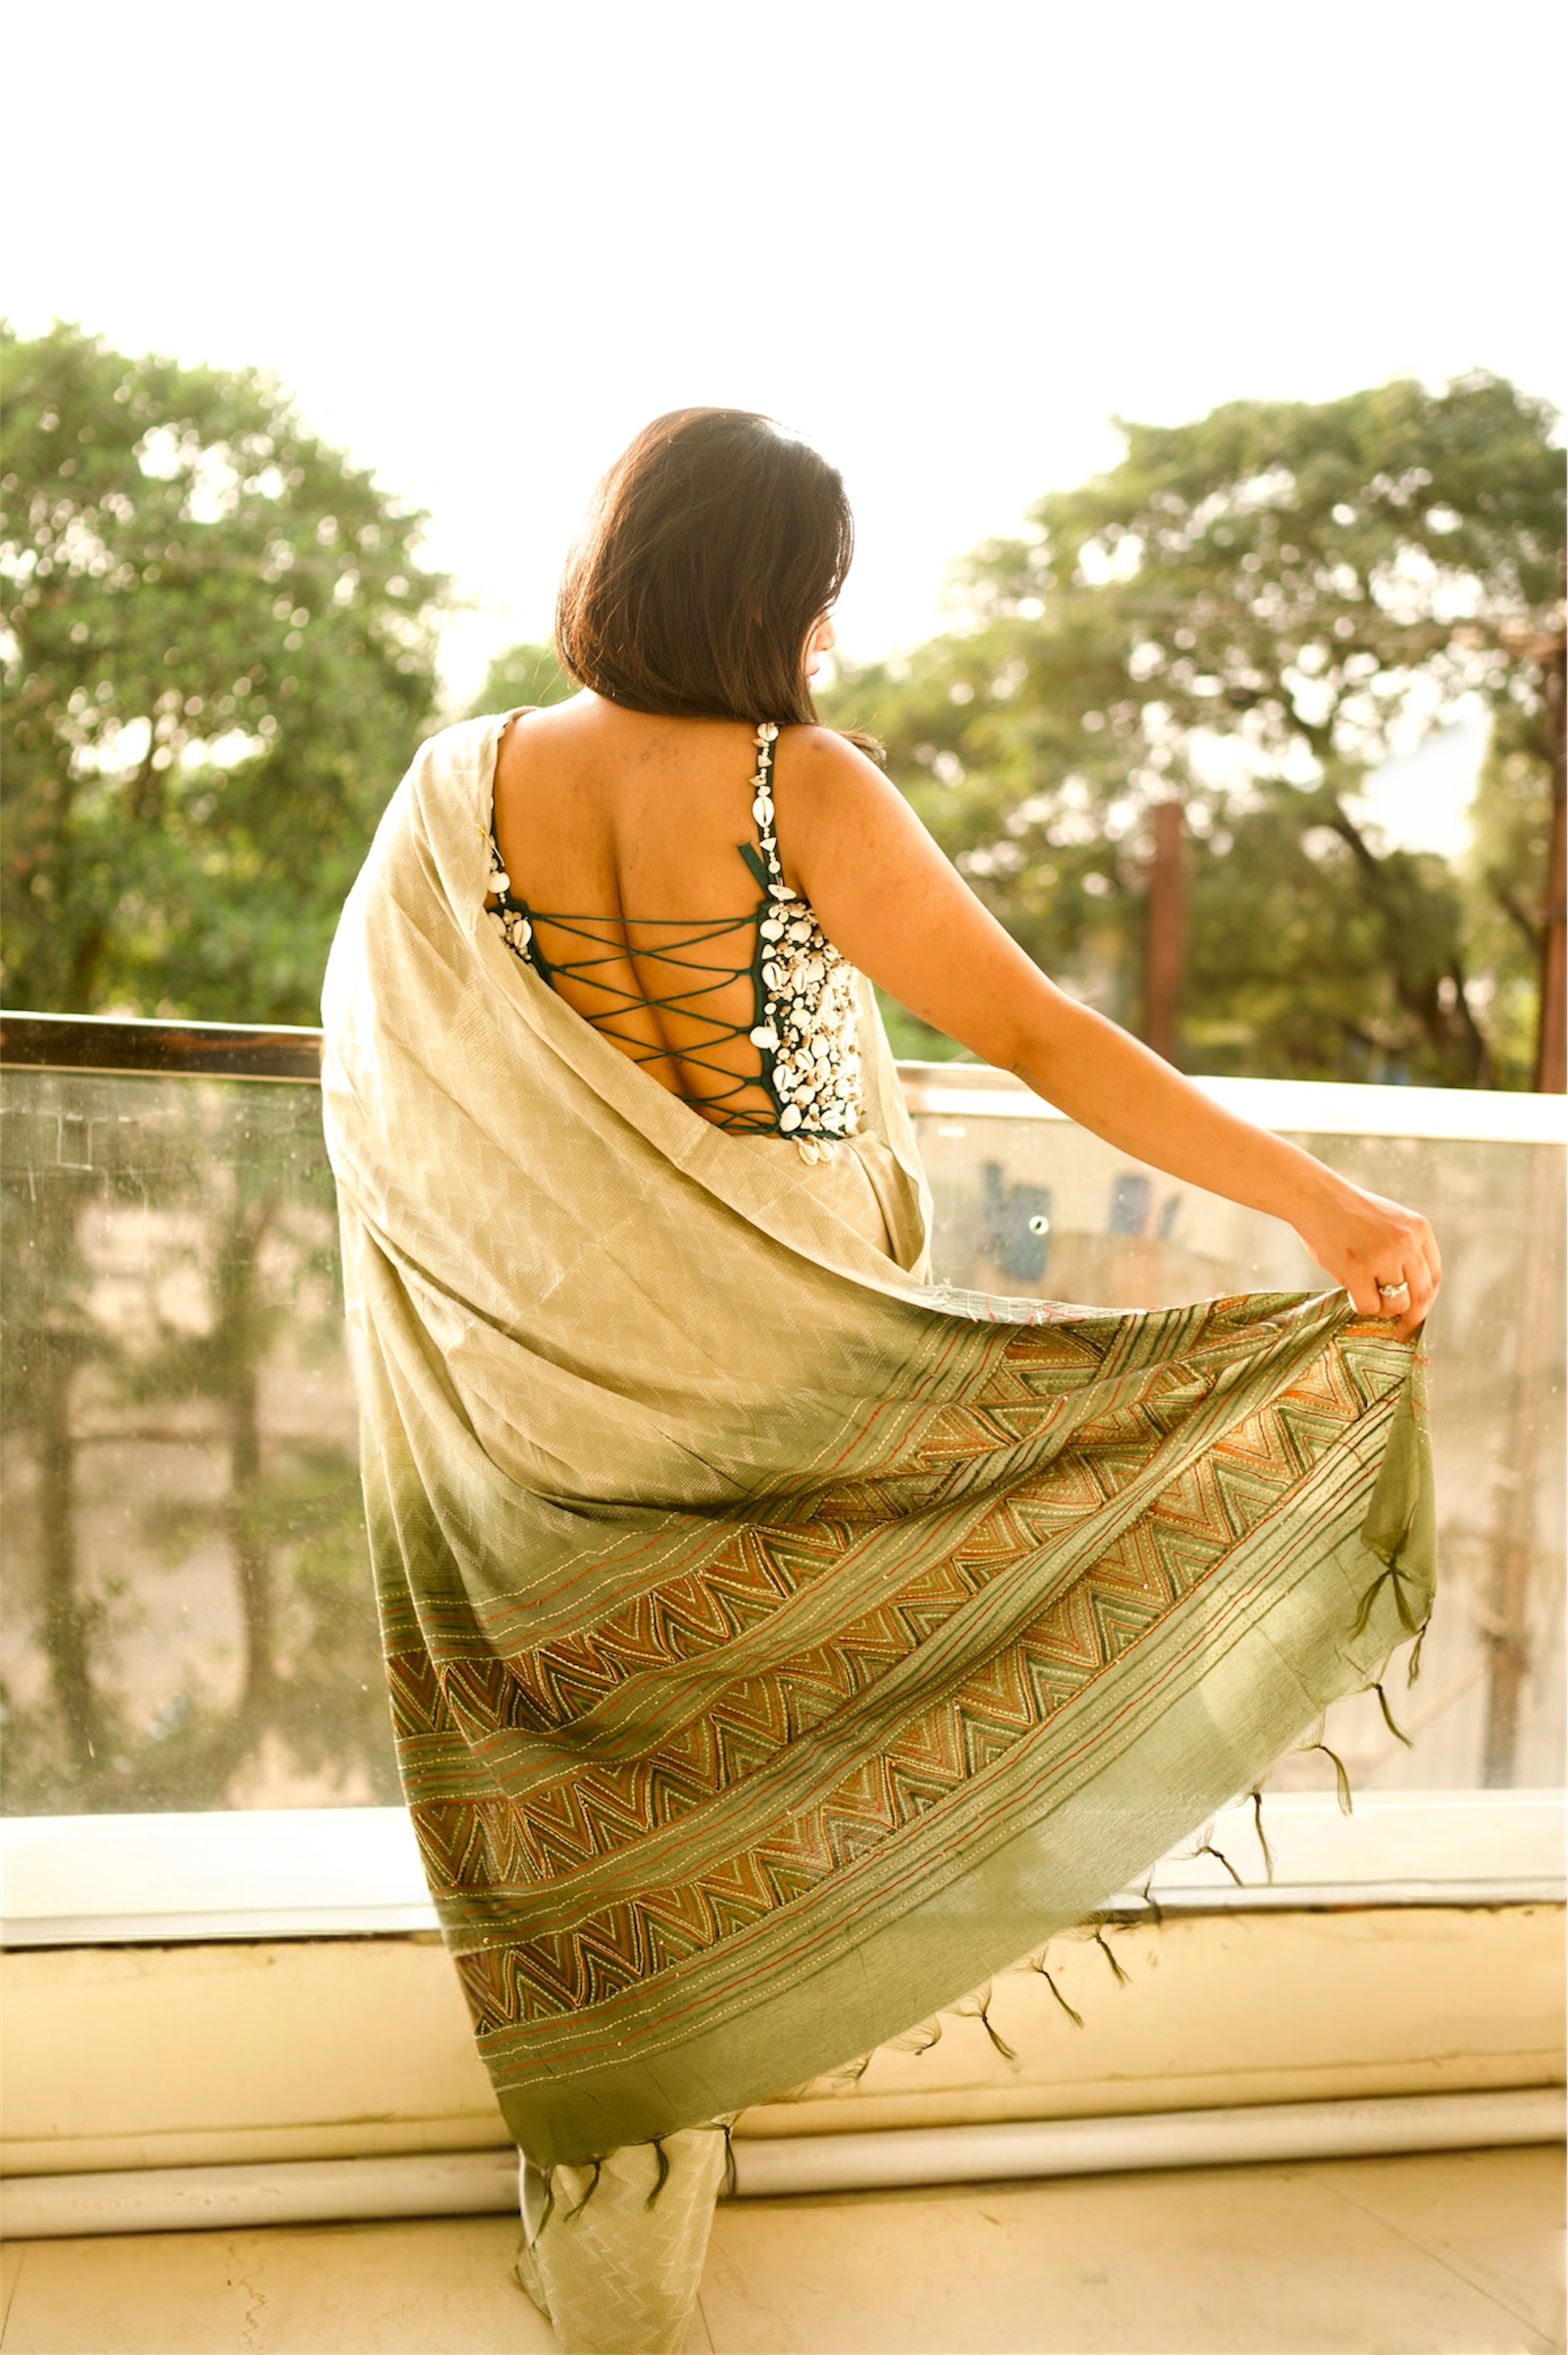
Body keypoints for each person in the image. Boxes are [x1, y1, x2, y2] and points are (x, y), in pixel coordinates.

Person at [321, 409, 1438, 2355]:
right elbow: (1031, 1028)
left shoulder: (454, 786)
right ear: (774, 597)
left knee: (599, 1804)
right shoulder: (800, 789)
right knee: (811, 1725)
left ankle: (610, 2253)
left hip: (547, 1406)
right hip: (785, 1373)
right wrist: (1322, 1208)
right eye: (821, 592)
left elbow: (382, 1095)